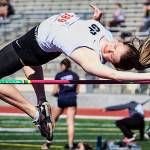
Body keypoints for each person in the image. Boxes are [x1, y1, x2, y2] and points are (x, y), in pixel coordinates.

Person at [0, 4, 150, 141]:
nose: (110, 49)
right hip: (47, 43)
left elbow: (116, 76)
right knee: (30, 62)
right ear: (120, 42)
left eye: (112, 56)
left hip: (35, 42)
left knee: (27, 60)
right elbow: (85, 32)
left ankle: (34, 112)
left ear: (112, 62)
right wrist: (95, 20)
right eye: (116, 47)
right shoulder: (109, 36)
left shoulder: (90, 61)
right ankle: (41, 102)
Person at [41, 58, 80, 150]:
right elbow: (77, 90)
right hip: (72, 99)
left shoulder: (59, 75)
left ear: (63, 65)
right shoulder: (75, 75)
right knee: (70, 123)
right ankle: (70, 145)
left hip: (61, 99)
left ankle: (48, 143)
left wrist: (54, 94)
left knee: (52, 120)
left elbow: (55, 91)